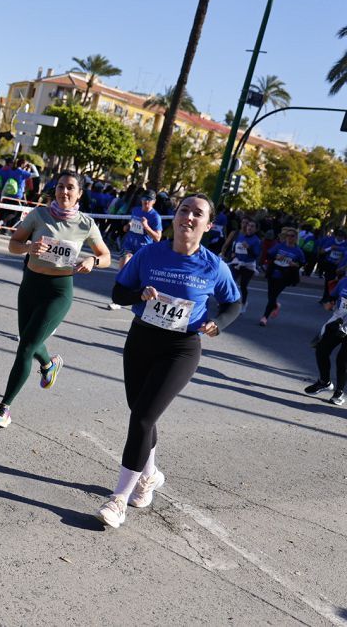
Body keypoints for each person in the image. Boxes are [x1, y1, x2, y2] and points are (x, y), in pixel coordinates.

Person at [96, 194, 241, 529]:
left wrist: (219, 323)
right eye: (184, 210)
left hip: (181, 348)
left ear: (209, 224)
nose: (189, 217)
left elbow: (233, 303)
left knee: (144, 417)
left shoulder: (213, 266)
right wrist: (139, 295)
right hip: (142, 339)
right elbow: (119, 293)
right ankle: (149, 476)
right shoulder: (149, 253)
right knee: (141, 413)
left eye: (198, 213)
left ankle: (119, 499)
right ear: (174, 217)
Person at [0, 172, 112, 428]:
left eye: (71, 188)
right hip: (30, 285)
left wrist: (92, 260)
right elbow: (14, 244)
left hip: (59, 291)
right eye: (61, 187)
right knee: (30, 342)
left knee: (25, 347)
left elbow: (106, 256)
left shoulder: (85, 224)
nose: (64, 192)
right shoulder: (38, 215)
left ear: (79, 194)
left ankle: (4, 408)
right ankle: (49, 363)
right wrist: (28, 248)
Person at [106, 190, 163, 310]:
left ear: (153, 202)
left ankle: (140, 297)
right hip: (129, 245)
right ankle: (118, 300)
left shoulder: (155, 217)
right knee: (123, 270)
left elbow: (158, 238)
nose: (146, 202)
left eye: (149, 200)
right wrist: (128, 226)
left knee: (139, 278)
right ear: (141, 200)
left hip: (143, 250)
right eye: (144, 199)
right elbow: (132, 223)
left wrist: (146, 226)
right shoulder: (136, 210)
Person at [304, 277, 347, 406]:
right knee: (321, 350)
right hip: (338, 321)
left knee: (343, 359)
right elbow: (332, 296)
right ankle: (325, 382)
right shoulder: (344, 281)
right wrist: (329, 302)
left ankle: (339, 392)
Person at [259, 226, 305, 327]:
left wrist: (294, 264)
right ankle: (275, 305)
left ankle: (264, 317)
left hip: (285, 276)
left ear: (296, 238)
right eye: (287, 235)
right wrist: (276, 256)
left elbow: (302, 263)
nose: (289, 237)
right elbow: (269, 255)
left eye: (292, 236)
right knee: (271, 295)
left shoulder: (298, 251)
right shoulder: (279, 246)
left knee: (274, 295)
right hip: (273, 272)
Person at [222, 217, 262, 309]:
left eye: (252, 226)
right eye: (248, 225)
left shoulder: (256, 240)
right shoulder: (240, 236)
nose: (249, 227)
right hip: (237, 263)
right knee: (231, 281)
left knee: (243, 285)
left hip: (248, 266)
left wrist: (249, 248)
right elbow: (235, 246)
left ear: (256, 229)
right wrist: (233, 253)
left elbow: (256, 254)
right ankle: (229, 301)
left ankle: (243, 303)